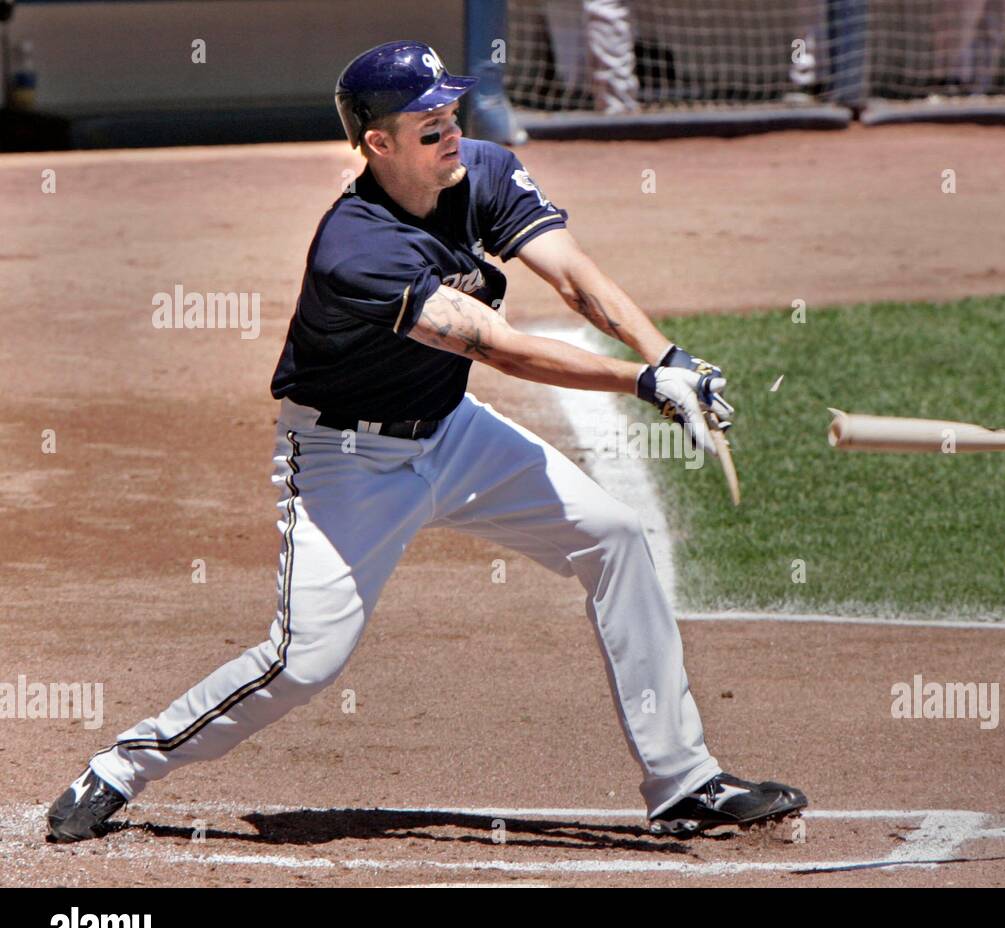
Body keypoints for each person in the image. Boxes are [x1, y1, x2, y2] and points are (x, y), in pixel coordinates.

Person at [46, 40, 806, 844]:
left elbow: (574, 275)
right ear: (378, 143)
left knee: (614, 539)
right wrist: (640, 385)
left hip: (452, 434)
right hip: (344, 465)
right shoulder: (356, 248)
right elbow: (497, 346)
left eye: (451, 112)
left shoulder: (481, 167)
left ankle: (683, 779)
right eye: (428, 122)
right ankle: (120, 767)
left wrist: (667, 356)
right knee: (304, 661)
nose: (451, 131)